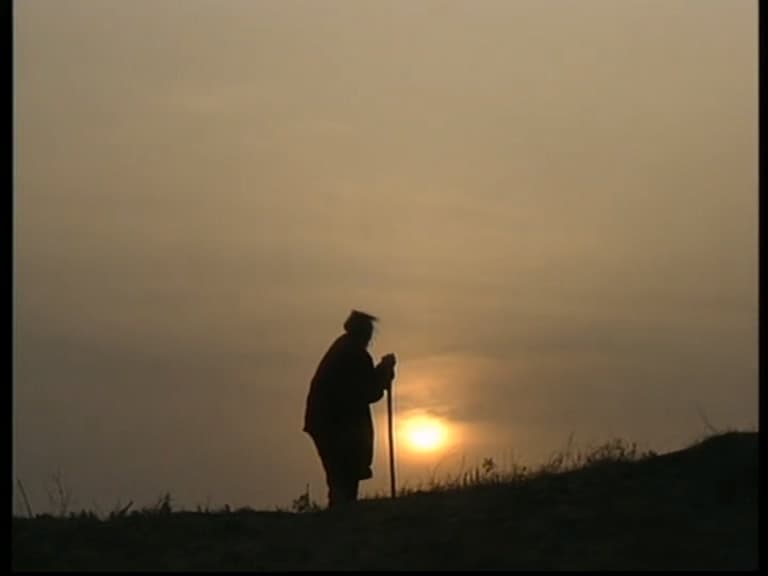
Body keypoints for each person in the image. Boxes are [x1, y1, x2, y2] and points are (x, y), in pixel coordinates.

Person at [303, 310, 396, 508]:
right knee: (345, 472)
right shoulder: (354, 354)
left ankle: (340, 512)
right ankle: (342, 513)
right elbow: (369, 392)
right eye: (368, 333)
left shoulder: (342, 348)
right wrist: (384, 371)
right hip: (337, 423)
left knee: (342, 474)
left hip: (326, 421)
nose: (370, 338)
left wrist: (381, 372)